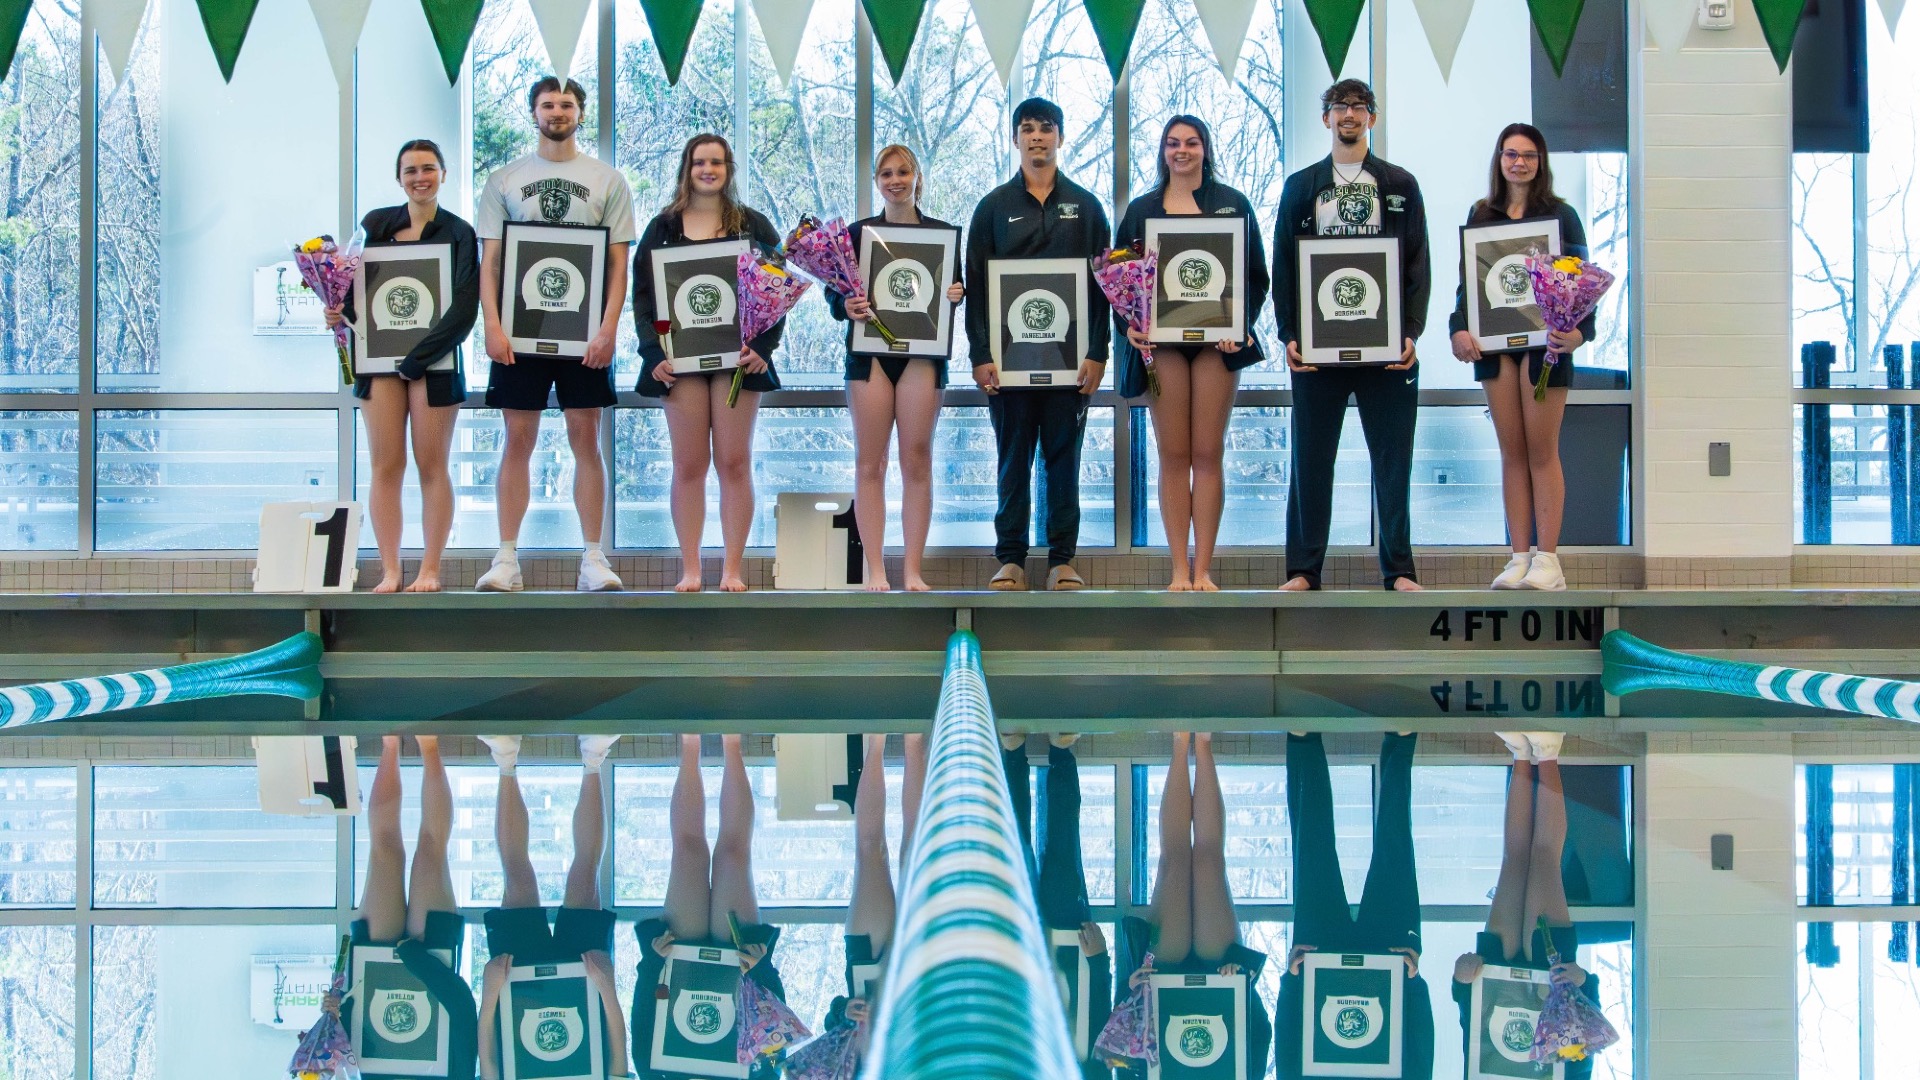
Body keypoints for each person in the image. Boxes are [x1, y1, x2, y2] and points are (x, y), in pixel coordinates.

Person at [474, 76, 635, 594]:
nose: (557, 112)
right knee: (516, 439)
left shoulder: (608, 180)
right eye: (548, 104)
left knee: (585, 438)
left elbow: (617, 265)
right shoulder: (504, 179)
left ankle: (593, 558)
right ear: (534, 111)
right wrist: (492, 326)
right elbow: (491, 262)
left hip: (586, 335)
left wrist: (609, 329)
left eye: (567, 104)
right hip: (519, 334)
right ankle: (505, 560)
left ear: (580, 113)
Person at [1272, 79, 1430, 593]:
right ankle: (1302, 571)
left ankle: (1399, 571)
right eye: (1340, 107)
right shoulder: (1301, 186)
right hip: (1317, 351)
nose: (1349, 115)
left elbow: (1417, 265)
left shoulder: (1401, 185)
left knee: (1393, 462)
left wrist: (1410, 333)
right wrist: (1290, 335)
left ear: (1372, 119)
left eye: (1359, 107)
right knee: (1311, 461)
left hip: (1388, 352)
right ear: (1326, 119)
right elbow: (1283, 267)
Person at [1114, 116, 1269, 592]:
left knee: (1208, 452)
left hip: (1216, 345)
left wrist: (1238, 325)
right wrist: (1131, 326)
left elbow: (1256, 277)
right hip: (1162, 346)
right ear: (1162, 151)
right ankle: (1178, 569)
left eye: (1192, 143)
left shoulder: (1233, 205)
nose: (1182, 150)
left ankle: (1204, 569)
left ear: (1205, 149)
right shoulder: (1141, 210)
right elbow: (1119, 279)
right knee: (1173, 453)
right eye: (1173, 143)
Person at [965, 97, 1113, 592]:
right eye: (1027, 129)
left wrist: (1099, 353)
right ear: (1015, 139)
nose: (1036, 137)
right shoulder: (992, 208)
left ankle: (1061, 560)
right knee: (1012, 459)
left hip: (1070, 364)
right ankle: (1010, 559)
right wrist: (980, 355)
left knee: (1063, 459)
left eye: (1046, 129)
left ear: (1060, 137)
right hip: (1008, 365)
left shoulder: (1087, 208)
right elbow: (978, 288)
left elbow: (1104, 288)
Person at [633, 135, 786, 593]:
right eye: (699, 162)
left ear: (729, 168)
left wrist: (764, 346)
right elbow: (643, 298)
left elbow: (778, 291)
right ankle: (692, 569)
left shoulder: (753, 225)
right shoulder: (662, 227)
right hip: (678, 363)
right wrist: (653, 353)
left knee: (735, 463)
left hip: (740, 361)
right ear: (687, 168)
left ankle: (733, 569)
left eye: (716, 162)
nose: (708, 170)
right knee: (689, 465)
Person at [1448, 124, 1597, 592]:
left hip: (1545, 350)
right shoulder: (1481, 214)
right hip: (1495, 352)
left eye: (1528, 155)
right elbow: (1466, 287)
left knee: (1540, 451)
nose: (1519, 162)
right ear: (1499, 159)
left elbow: (1583, 286)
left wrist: (1579, 334)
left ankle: (1548, 561)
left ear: (1541, 161)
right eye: (1510, 154)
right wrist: (1458, 329)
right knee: (1511, 452)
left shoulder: (1562, 217)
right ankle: (1518, 557)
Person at [325, 140, 478, 594]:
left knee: (433, 467)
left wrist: (417, 359)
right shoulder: (374, 225)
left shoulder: (459, 232)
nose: (419, 177)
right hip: (378, 363)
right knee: (385, 466)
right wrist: (337, 311)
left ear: (444, 174)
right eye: (410, 170)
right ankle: (390, 570)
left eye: (428, 168)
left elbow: (465, 306)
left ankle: (430, 569)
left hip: (436, 364)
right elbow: (355, 290)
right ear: (399, 178)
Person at [826, 145, 966, 592]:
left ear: (917, 177)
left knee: (917, 461)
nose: (895, 179)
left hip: (921, 356)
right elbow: (834, 294)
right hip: (869, 358)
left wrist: (958, 294)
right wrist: (845, 304)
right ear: (876, 180)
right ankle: (875, 570)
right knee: (870, 464)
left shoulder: (943, 236)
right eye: (886, 173)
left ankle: (912, 571)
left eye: (903, 171)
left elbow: (952, 295)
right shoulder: (857, 234)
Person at [632, 735, 793, 1078]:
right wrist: (762, 970)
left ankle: (689, 743)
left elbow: (643, 1026)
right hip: (740, 963)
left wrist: (651, 963)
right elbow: (776, 1039)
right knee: (734, 857)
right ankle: (732, 742)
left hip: (678, 962)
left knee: (688, 855)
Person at [1275, 732, 1433, 1080]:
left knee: (1312, 856)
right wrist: (1416, 983)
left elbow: (1286, 1052)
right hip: (1393, 969)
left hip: (1318, 970)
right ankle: (1400, 743)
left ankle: (1303, 743)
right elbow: (1422, 1054)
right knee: (1396, 855)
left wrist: (1290, 983)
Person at [1117, 733, 1271, 1079]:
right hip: (1218, 976)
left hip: (1161, 979)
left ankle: (1179, 745)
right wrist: (1242, 987)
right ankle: (1203, 746)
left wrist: (1130, 988)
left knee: (1174, 863)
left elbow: (1122, 1059)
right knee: (1208, 864)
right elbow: (1260, 1035)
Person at [474, 733, 628, 1080]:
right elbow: (619, 1051)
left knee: (518, 879)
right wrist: (607, 986)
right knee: (585, 877)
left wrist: (490, 993)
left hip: (516, 988)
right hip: (586, 986)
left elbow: (489, 1062)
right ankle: (593, 757)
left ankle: (506, 760)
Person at [1451, 733, 1602, 1080]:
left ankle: (1520, 753)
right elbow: (1584, 1053)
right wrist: (1585, 982)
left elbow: (1471, 1031)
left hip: (1496, 980)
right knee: (1544, 857)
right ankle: (1548, 752)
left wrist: (1461, 981)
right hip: (1555, 982)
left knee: (1514, 860)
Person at [329, 734, 477, 1080]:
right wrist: (416, 959)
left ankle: (389, 745)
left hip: (377, 962)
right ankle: (430, 747)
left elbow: (351, 1032)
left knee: (384, 853)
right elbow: (463, 1010)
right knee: (431, 849)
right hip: (431, 956)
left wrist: (333, 1013)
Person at [1002, 733, 1112, 1080]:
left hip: (1016, 943)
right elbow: (1097, 1034)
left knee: (1013, 846)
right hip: (1071, 949)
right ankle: (1061, 751)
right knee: (1063, 848)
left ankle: (1012, 754)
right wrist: (1099, 961)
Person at [819, 733, 928, 1067]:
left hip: (867, 964)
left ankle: (875, 743)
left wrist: (844, 1011)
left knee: (871, 851)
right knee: (917, 848)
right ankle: (914, 742)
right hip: (918, 967)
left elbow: (829, 1043)